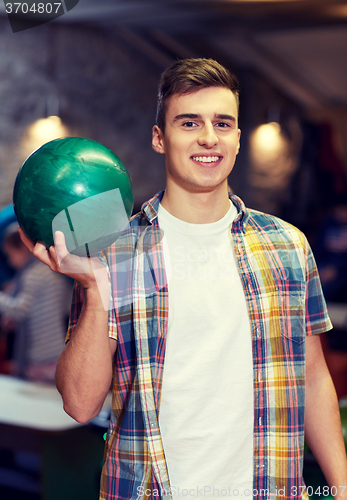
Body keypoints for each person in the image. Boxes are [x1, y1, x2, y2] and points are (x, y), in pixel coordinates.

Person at [19, 59, 347, 499]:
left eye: (222, 123)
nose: (208, 138)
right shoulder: (113, 251)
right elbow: (80, 405)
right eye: (189, 122)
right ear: (160, 138)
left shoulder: (287, 245)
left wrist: (341, 486)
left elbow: (311, 375)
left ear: (236, 139)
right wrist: (94, 289)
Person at [0, 224, 72, 382]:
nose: (10, 263)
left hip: (41, 352)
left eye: (10, 256)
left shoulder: (31, 275)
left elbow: (20, 310)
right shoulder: (52, 269)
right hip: (59, 348)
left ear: (22, 248)